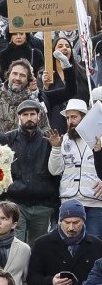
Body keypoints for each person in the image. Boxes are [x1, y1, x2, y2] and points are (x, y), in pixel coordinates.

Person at [4, 100, 61, 245]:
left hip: (42, 204)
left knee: (37, 246)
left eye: (32, 114)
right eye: (25, 114)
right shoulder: (8, 138)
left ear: (38, 116)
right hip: (17, 202)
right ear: (19, 116)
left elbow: (55, 171)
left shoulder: (48, 139)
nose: (29, 117)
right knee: (16, 245)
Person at [49, 99, 102, 237]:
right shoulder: (63, 140)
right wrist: (55, 148)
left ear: (84, 118)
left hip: (95, 201)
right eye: (67, 118)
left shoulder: (99, 138)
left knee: (93, 243)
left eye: (74, 117)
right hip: (69, 200)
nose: (70, 121)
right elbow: (54, 170)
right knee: (68, 242)